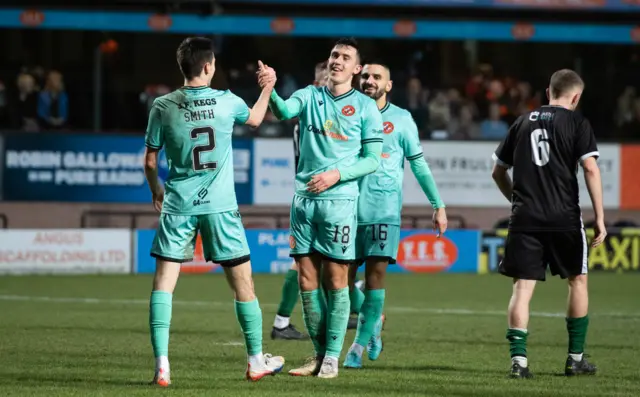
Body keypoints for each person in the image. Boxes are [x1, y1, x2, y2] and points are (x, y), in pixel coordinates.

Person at [143, 37, 284, 386]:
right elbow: (254, 119)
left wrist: (156, 190)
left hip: (178, 205)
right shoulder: (226, 101)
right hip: (220, 208)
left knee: (163, 285)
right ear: (208, 66)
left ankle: (162, 366)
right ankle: (255, 361)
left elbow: (149, 160)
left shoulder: (162, 105)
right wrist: (268, 87)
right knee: (243, 285)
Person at [259, 38, 384, 378]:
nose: (337, 60)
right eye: (333, 55)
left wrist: (336, 174)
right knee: (305, 278)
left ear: (356, 68)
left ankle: (331, 359)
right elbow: (283, 111)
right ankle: (317, 356)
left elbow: (372, 160)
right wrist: (270, 88)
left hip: (340, 203)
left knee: (336, 278)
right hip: (302, 202)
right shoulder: (309, 95)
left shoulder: (365, 107)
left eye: (345, 57)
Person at [491, 69, 606, 379]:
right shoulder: (578, 123)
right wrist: (601, 218)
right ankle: (575, 359)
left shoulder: (521, 121)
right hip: (564, 216)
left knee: (522, 288)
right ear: (576, 96)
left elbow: (498, 172)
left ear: (547, 92)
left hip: (525, 217)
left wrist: (516, 200)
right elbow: (590, 170)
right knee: (577, 280)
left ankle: (519, 363)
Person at [343, 62, 448, 369]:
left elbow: (418, 164)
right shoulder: (345, 114)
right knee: (340, 284)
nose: (369, 80)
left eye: (377, 77)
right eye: (366, 76)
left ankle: (357, 348)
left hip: (383, 210)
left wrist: (437, 204)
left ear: (388, 85)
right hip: (346, 208)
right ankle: (374, 322)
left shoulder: (402, 120)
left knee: (375, 279)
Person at [271, 60, 360, 340]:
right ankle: (283, 322)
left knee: (321, 266)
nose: (328, 84)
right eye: (323, 80)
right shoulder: (309, 114)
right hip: (314, 193)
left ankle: (292, 322)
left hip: (328, 193)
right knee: (309, 265)